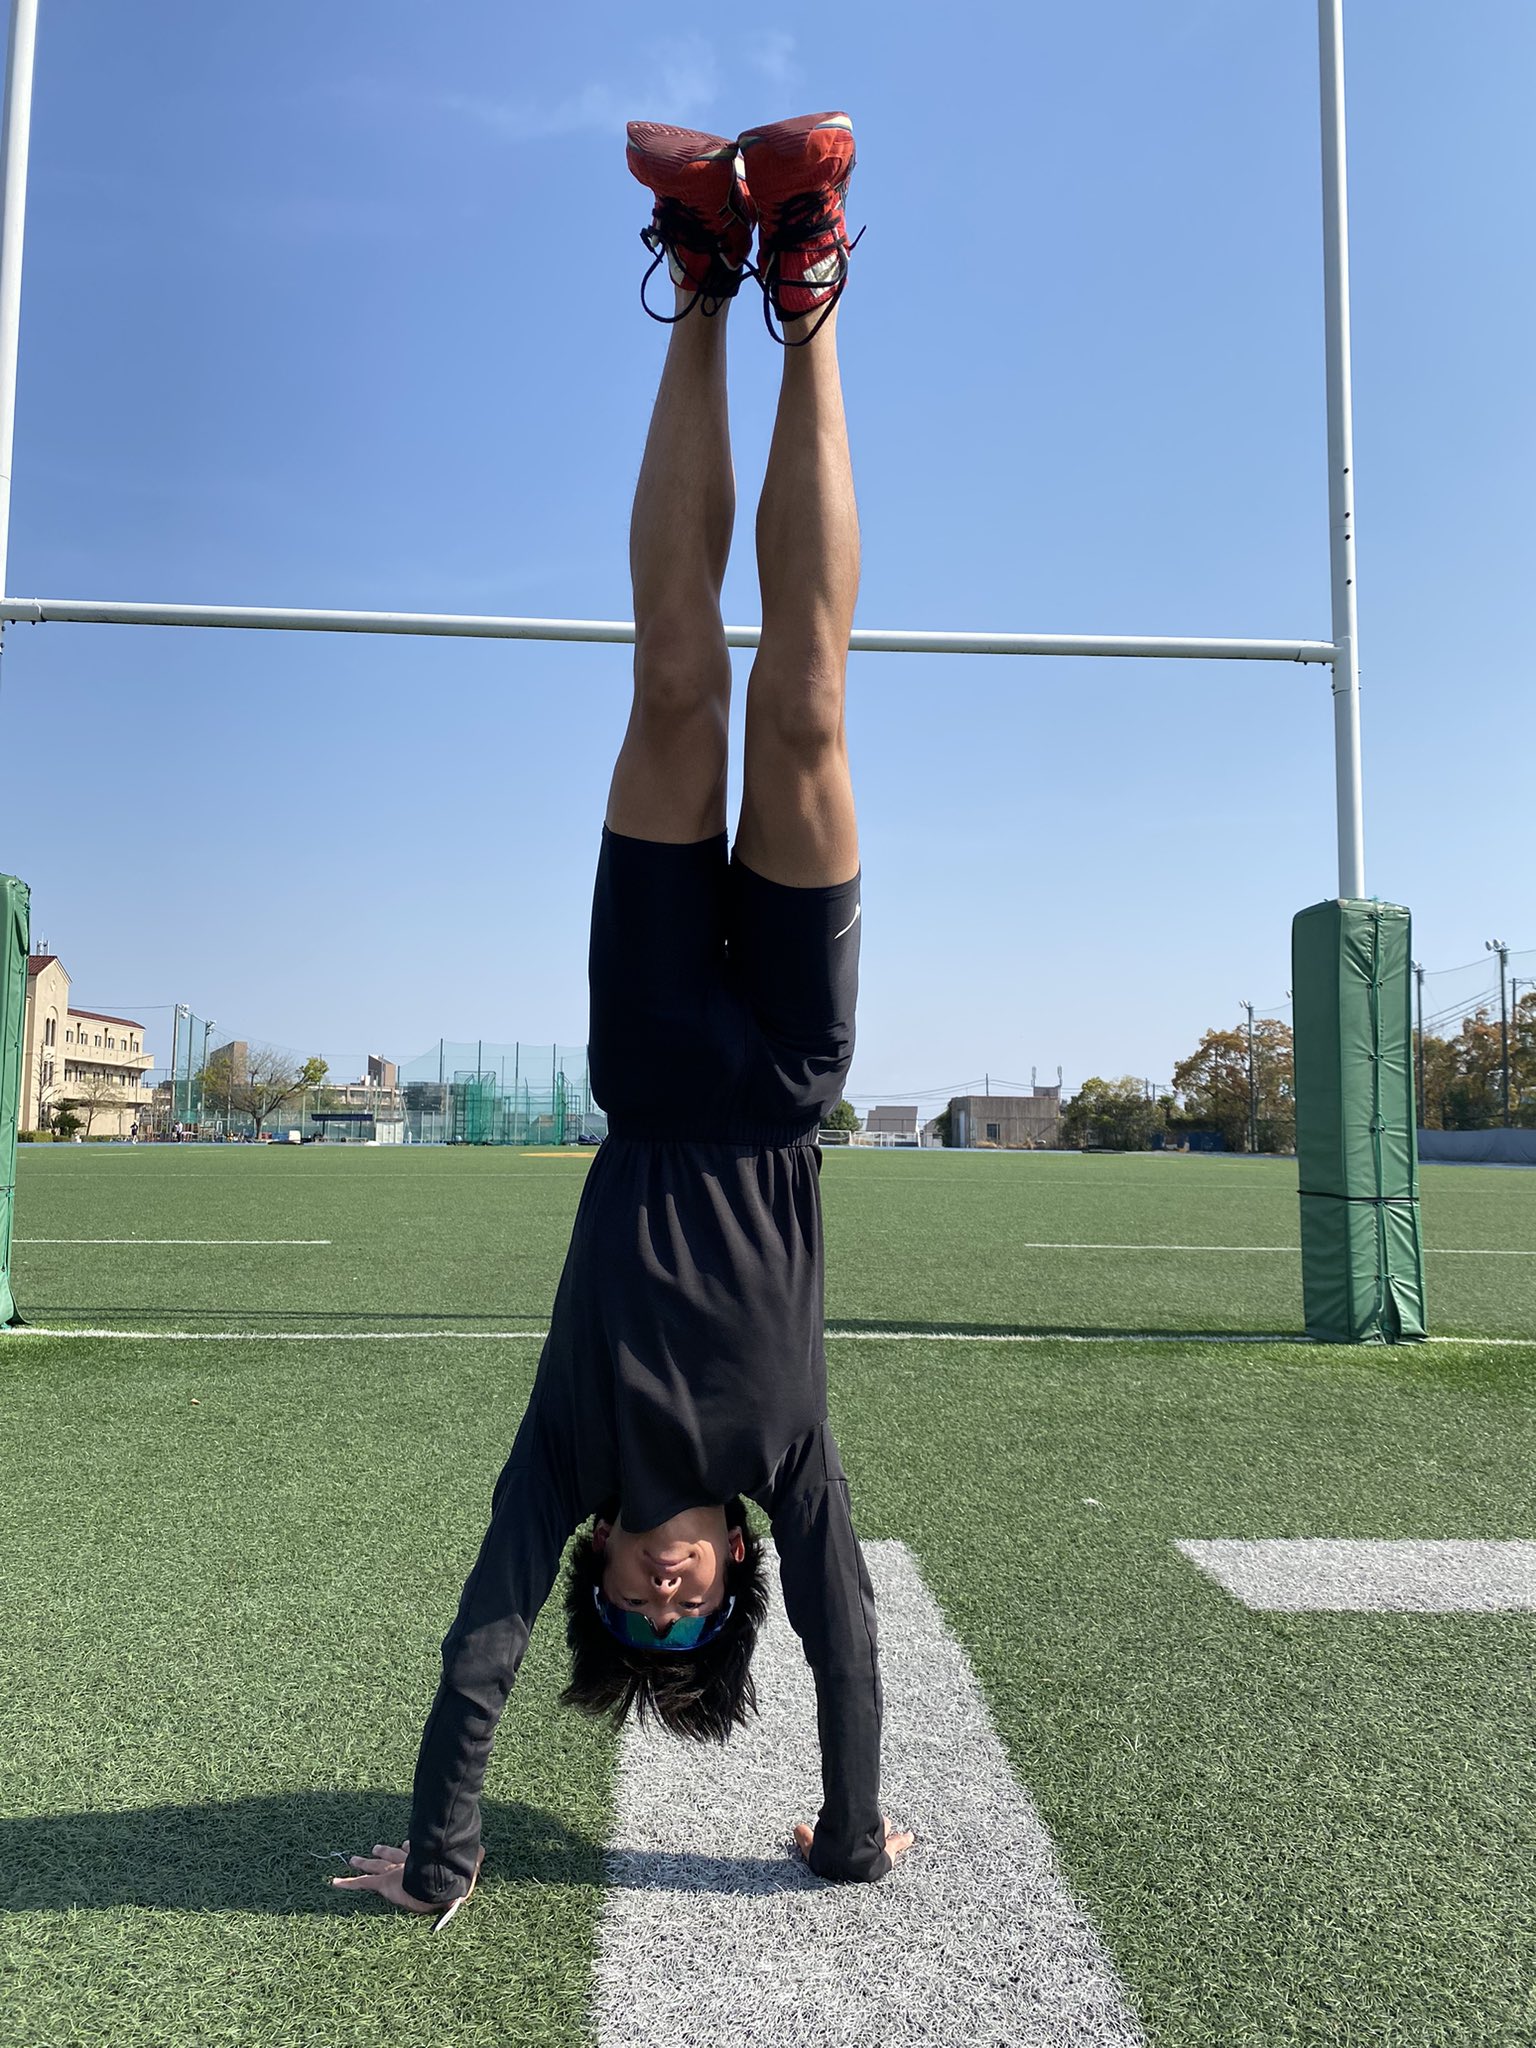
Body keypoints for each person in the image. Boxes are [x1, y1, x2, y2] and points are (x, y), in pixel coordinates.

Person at [333, 109, 913, 1924]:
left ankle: (704, 274)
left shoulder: (569, 1459)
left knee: (676, 682)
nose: (666, 1599)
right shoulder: (787, 1470)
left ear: (595, 1565)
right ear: (734, 1572)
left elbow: (480, 1646)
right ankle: (807, 278)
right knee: (802, 701)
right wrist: (847, 1834)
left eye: (633, 1612)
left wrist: (444, 1861)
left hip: (654, 1058)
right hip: (789, 1075)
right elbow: (850, 1643)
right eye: (694, 1615)